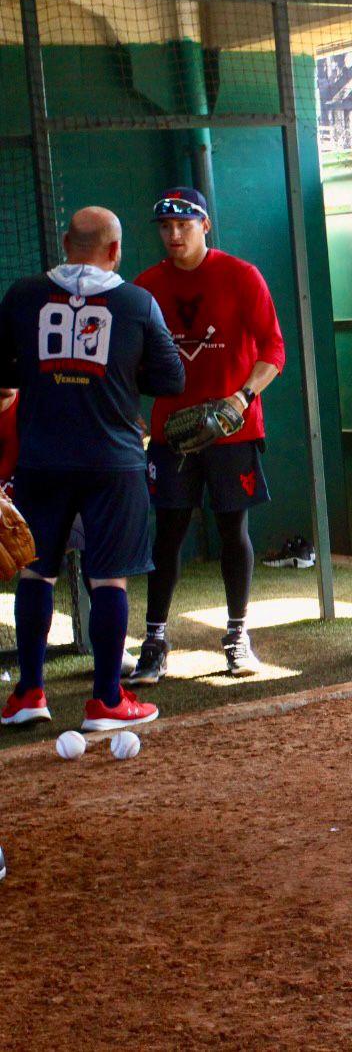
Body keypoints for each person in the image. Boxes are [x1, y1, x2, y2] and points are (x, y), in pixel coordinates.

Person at [0, 207, 184, 730]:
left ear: (65, 242)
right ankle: (106, 701)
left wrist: (40, 373)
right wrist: (119, 372)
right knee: (109, 579)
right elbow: (171, 379)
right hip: (114, 461)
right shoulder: (137, 302)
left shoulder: (23, 295)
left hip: (42, 460)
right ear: (116, 250)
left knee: (36, 572)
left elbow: (1, 367)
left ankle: (30, 693)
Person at [128, 187, 286, 684]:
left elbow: (274, 351)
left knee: (232, 530)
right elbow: (126, 361)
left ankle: (238, 635)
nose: (174, 235)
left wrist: (240, 399)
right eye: (165, 227)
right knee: (168, 534)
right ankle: (154, 642)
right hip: (172, 433)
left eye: (184, 225)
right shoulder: (146, 285)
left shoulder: (241, 276)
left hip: (231, 430)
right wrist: (131, 415)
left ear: (205, 225)